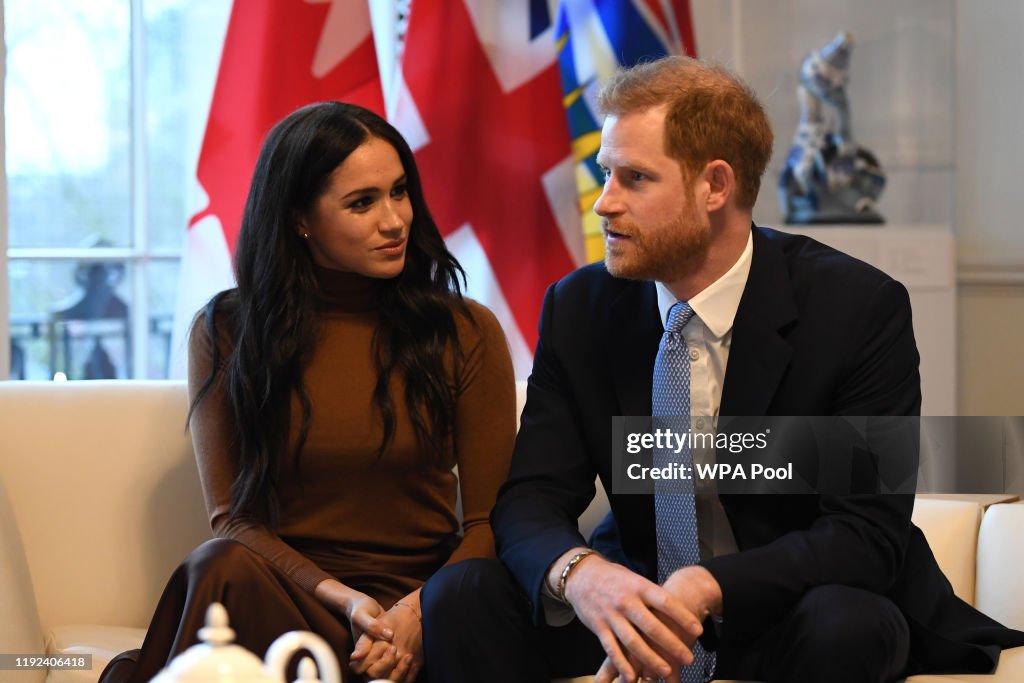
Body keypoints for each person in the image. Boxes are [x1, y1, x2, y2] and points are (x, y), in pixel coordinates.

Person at [421, 56, 1024, 683]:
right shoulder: (580, 307)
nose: (604, 204)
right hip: (633, 606)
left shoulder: (857, 308)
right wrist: (583, 577)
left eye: (634, 178)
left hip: (788, 607)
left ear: (715, 186)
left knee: (846, 624)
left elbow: (865, 532)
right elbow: (531, 499)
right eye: (606, 174)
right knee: (461, 596)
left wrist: (709, 585)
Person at [98, 102, 516, 683]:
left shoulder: (464, 329)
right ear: (300, 219)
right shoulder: (226, 330)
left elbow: (489, 521)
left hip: (424, 601)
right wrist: (346, 602)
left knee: (471, 594)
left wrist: (414, 613)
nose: (395, 220)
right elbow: (235, 521)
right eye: (362, 202)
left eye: (399, 192)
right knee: (222, 565)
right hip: (295, 595)